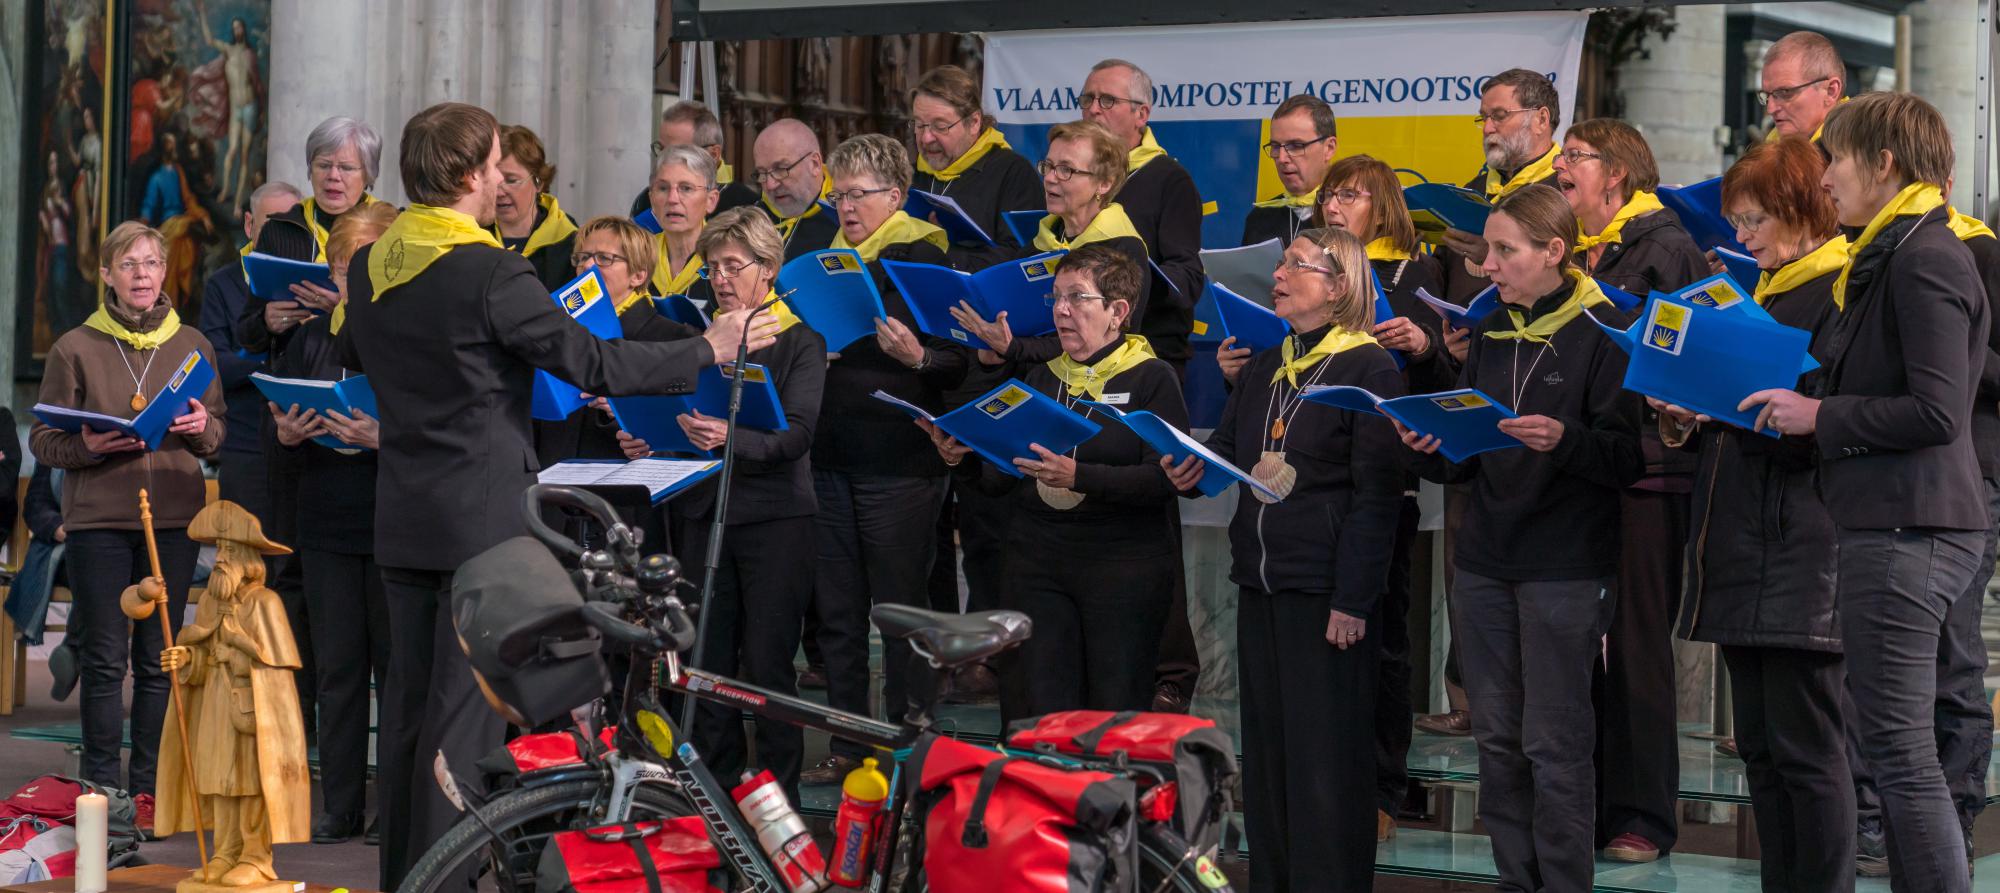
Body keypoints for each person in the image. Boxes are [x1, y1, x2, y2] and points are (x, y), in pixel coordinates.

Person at [333, 101, 778, 889]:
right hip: (483, 524)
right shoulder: (489, 269)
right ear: (470, 175)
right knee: (461, 727)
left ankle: (403, 877)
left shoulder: (372, 265)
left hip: (401, 513)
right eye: (499, 161)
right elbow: (592, 363)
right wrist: (706, 346)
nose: (506, 176)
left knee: (405, 716)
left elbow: (363, 350)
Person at [1739, 91, 1988, 893]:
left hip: (1909, 525)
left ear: (1884, 164)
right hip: (1891, 520)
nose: (1826, 181)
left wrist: (1821, 413)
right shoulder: (1890, 249)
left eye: (1837, 161)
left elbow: (1937, 409)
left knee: (1901, 755)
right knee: (1897, 750)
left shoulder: (1925, 254)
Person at [1399, 184, 1643, 893]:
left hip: (1564, 564)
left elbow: (1627, 458)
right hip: (1485, 558)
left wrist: (1565, 440)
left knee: (1554, 741)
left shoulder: (1604, 330)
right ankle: (1516, 879)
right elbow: (1463, 460)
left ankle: (1564, 883)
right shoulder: (1494, 332)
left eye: (1505, 252)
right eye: (1486, 251)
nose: (1488, 267)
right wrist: (1428, 443)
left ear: (1554, 252)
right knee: (1498, 740)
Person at [1163, 227, 1403, 891]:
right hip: (1261, 584)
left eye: (1298, 265)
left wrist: (1353, 599)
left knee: (1324, 766)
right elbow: (1236, 450)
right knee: (1268, 761)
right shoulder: (1272, 361)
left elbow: (1377, 498)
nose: (1280, 275)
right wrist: (1192, 466)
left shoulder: (1369, 367)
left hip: (1326, 594)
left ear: (1340, 285)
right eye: (1282, 263)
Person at [1658, 136, 1851, 892]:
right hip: (1740, 544)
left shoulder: (1838, 289)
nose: (1740, 238)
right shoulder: (1763, 291)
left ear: (1803, 210)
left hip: (1801, 545)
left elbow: (1830, 421)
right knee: (1763, 754)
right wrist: (1692, 409)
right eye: (1734, 222)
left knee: (1808, 752)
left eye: (1753, 221)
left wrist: (1764, 409)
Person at [619, 207, 826, 799]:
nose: (722, 278)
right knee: (705, 661)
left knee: (766, 664)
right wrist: (647, 437)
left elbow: (799, 437)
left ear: (768, 269)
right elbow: (678, 417)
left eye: (734, 266)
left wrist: (729, 436)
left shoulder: (799, 341)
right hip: (706, 514)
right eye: (713, 268)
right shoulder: (700, 342)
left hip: (775, 520)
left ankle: (775, 795)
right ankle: (710, 789)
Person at [930, 243, 1185, 723]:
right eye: (1056, 298)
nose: (1061, 310)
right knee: (1036, 710)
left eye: (1077, 297)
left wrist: (1080, 476)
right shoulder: (1041, 376)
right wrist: (959, 461)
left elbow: (1162, 480)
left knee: (1111, 713)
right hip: (1037, 566)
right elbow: (1001, 480)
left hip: (1120, 571)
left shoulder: (1152, 378)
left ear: (1118, 311)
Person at [29, 221, 227, 836]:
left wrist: (202, 429)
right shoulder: (76, 346)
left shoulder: (192, 343)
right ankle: (100, 791)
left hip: (171, 517)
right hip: (100, 520)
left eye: (151, 263)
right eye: (129, 264)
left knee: (159, 658)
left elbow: (219, 431)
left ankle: (147, 788)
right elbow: (44, 440)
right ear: (108, 275)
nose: (142, 275)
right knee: (106, 658)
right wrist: (85, 445)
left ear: (165, 272)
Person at [1551, 116, 1707, 864]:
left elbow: (1693, 347)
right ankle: (1583, 802)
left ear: (1614, 172)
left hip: (1650, 466)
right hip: (1585, 461)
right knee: (1580, 640)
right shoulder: (1582, 248)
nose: (1559, 170)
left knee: (1636, 645)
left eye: (1571, 159)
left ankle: (1643, 812)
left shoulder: (1666, 245)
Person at [801, 133, 970, 785]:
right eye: (837, 194)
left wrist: (916, 358)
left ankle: (909, 738)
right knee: (838, 611)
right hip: (830, 454)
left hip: (899, 461)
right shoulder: (825, 259)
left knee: (898, 607)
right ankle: (847, 740)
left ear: (895, 196)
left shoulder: (925, 256)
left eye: (857, 194)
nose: (844, 206)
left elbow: (956, 362)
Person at [1312, 153, 1449, 841]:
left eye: (1353, 194)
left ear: (1384, 204)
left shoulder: (1412, 273)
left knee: (1384, 638)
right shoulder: (1310, 271)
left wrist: (1422, 345)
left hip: (1385, 473)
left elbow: (1443, 376)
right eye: (1330, 194)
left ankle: (1385, 787)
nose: (1335, 205)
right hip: (1313, 479)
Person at [266, 201, 398, 845]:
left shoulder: (406, 332)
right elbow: (279, 421)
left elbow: (438, 425)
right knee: (338, 671)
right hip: (325, 516)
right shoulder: (311, 336)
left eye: (361, 265)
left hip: (392, 519)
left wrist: (384, 437)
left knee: (396, 673)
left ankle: (393, 807)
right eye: (342, 267)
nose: (349, 279)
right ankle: (339, 804)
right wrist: (288, 434)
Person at [153, 500, 310, 886]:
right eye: (218, 550)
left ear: (247, 559)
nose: (221, 559)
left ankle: (256, 858)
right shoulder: (209, 602)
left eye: (229, 551)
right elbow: (201, 652)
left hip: (251, 709)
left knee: (251, 784)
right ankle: (225, 852)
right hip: (215, 707)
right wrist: (186, 656)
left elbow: (275, 665)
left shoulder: (264, 603)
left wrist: (237, 653)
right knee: (218, 782)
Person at [1079, 59, 1204, 372]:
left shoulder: (1169, 180)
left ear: (1142, 114)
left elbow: (1187, 278)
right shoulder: (1074, 177)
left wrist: (1132, 275)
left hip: (1146, 358)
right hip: (1078, 349)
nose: (1094, 109)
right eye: (1087, 99)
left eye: (1107, 100)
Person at [201, 181, 301, 531]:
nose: (283, 234)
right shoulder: (223, 285)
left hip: (303, 446)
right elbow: (216, 365)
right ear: (249, 225)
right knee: (245, 567)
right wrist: (269, 366)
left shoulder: (317, 284)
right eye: (273, 222)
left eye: (293, 223)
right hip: (245, 448)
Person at [1434, 69, 1563, 302]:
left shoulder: (1568, 188)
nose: (1487, 128)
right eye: (1483, 118)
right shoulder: (1472, 190)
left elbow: (1576, 278)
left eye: (1500, 115)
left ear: (1541, 119)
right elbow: (1441, 271)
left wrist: (1493, 253)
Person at [907, 64, 1042, 268]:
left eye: (940, 126)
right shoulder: (909, 174)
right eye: (919, 125)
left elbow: (1023, 257)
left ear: (974, 122)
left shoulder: (1013, 173)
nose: (926, 138)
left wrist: (944, 255)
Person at [630, 100, 759, 218]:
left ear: (713, 154)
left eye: (678, 152)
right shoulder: (646, 202)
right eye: (661, 150)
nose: (664, 161)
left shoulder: (748, 208)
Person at [1241, 95, 1338, 247]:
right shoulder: (1260, 218)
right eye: (1275, 146)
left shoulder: (1347, 215)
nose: (1282, 158)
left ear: (1329, 148)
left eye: (1296, 146)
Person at [492, 124, 578, 291]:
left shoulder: (570, 240)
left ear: (539, 182)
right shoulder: (469, 232)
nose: (499, 192)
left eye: (511, 180)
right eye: (492, 180)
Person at [750, 118, 839, 260]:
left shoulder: (845, 218)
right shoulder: (752, 220)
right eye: (762, 173)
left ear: (815, 164)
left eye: (780, 169)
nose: (770, 185)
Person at [648, 145, 722, 306]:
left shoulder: (729, 262)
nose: (672, 199)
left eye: (686, 188)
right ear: (651, 199)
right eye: (663, 188)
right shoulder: (636, 255)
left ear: (711, 200)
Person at [1760, 31, 1846, 142]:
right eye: (1766, 95)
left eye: (1785, 92)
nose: (1770, 109)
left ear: (1831, 91)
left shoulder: (1861, 151)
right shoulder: (1773, 144)